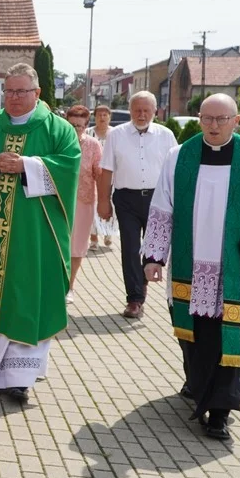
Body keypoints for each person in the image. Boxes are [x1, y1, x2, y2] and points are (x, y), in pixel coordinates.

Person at [141, 94, 240, 441]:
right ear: (199, 119)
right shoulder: (179, 156)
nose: (214, 126)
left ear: (237, 120)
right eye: (207, 118)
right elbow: (163, 207)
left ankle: (219, 410)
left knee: (228, 336)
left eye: (222, 119)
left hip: (231, 269)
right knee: (195, 335)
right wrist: (154, 257)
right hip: (187, 266)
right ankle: (197, 383)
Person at [0, 63, 80, 403]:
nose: (13, 98)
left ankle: (19, 376)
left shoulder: (58, 129)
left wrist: (28, 165)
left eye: (21, 91)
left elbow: (69, 164)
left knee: (27, 294)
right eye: (8, 91)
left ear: (37, 93)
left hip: (34, 236)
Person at [96, 92, 178, 319]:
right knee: (131, 248)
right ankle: (134, 299)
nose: (141, 115)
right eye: (137, 110)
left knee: (151, 249)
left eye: (146, 110)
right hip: (126, 200)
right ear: (130, 111)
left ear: (155, 112)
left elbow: (176, 171)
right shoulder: (117, 135)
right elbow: (106, 170)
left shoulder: (166, 135)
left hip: (157, 200)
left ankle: (141, 286)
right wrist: (103, 202)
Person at [65, 105, 101, 305]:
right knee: (59, 243)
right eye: (72, 125)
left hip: (84, 200)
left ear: (87, 126)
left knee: (77, 246)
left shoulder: (93, 145)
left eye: (80, 126)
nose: (76, 129)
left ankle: (69, 287)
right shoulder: (58, 141)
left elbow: (100, 172)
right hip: (59, 200)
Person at [86, 105, 118, 247]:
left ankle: (108, 233)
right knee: (93, 205)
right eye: (99, 115)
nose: (102, 118)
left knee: (110, 203)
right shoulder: (88, 133)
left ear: (110, 117)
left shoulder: (116, 134)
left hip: (112, 176)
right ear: (95, 117)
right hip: (92, 177)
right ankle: (93, 238)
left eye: (105, 115)